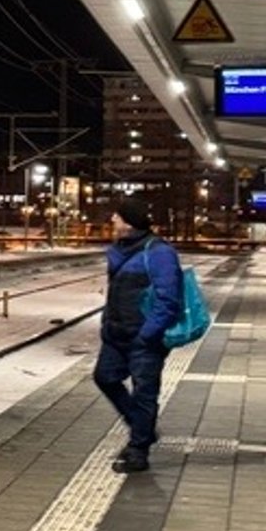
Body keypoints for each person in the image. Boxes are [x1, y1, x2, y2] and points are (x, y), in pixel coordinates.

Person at [95, 198, 182, 474]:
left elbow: (169, 299)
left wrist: (148, 334)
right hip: (115, 335)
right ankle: (142, 426)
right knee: (105, 377)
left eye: (116, 217)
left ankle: (138, 451)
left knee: (145, 392)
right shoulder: (119, 250)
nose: (112, 222)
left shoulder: (159, 252)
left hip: (144, 339)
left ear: (129, 222)